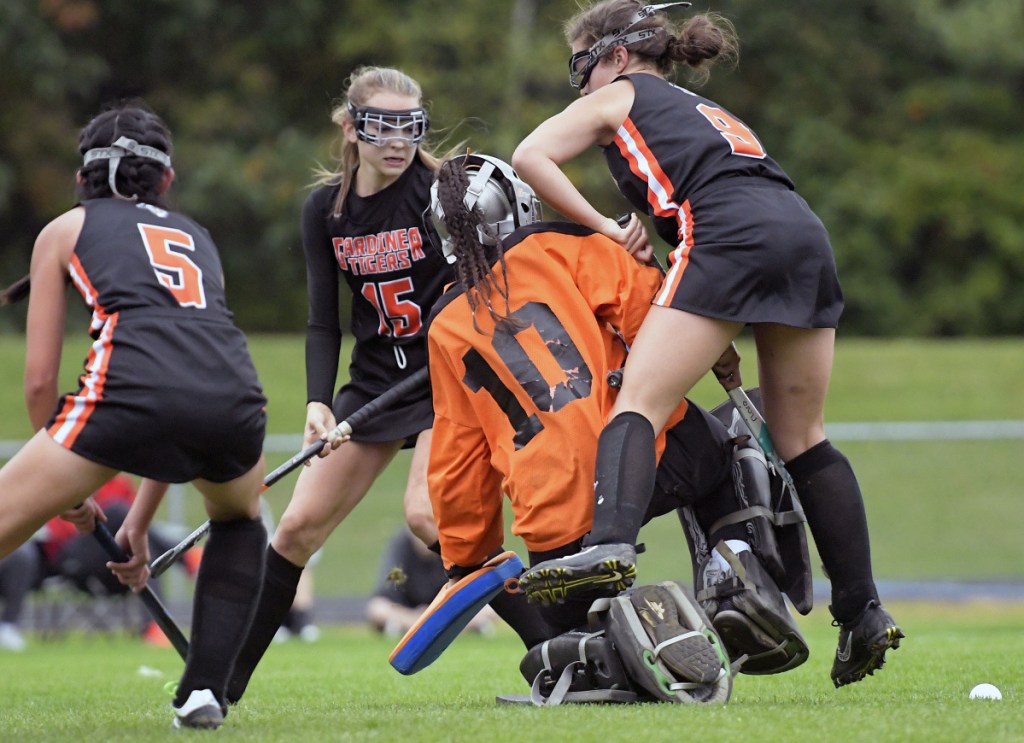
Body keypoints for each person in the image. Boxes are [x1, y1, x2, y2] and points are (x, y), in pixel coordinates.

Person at [511, 0, 903, 688]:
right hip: (801, 232)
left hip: (727, 236)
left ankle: (607, 545)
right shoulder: (700, 111)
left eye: (584, 67)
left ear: (617, 56)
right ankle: (862, 609)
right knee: (803, 435)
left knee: (637, 399)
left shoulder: (623, 94)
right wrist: (713, 327)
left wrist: (606, 226)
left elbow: (529, 156)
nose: (583, 87)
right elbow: (725, 208)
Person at [225, 67, 552, 703]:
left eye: (411, 126)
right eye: (381, 126)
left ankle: (551, 649)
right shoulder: (326, 209)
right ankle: (224, 684)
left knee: (428, 518)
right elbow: (323, 319)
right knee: (295, 530)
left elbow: (497, 279)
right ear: (350, 128)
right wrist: (320, 401)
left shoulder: (441, 192)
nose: (397, 141)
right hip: (374, 384)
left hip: (449, 375)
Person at [424, 153, 808, 690]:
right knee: (725, 452)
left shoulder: (442, 328)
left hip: (551, 518)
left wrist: (465, 555)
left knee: (559, 636)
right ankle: (733, 581)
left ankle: (593, 649)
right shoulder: (565, 246)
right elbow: (654, 310)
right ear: (521, 203)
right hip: (638, 461)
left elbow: (458, 461)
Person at [0, 102, 269, 729]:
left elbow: (41, 380)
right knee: (239, 521)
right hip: (232, 399)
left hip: (127, 395)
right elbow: (181, 404)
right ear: (166, 181)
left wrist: (62, 483)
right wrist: (138, 524)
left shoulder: (65, 229)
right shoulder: (199, 236)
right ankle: (204, 691)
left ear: (82, 179)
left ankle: (204, 687)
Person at [366, 526, 497, 637]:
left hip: (444, 611)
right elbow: (387, 592)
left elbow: (467, 590)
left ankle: (422, 629)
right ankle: (433, 629)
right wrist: (417, 615)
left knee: (489, 607)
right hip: (410, 610)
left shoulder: (450, 543)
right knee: (377, 608)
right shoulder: (401, 545)